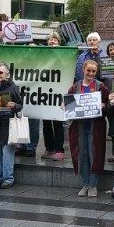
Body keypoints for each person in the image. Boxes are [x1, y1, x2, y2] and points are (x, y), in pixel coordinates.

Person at [67, 60, 109, 197]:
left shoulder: (101, 87)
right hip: (79, 128)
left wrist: (104, 106)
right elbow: (69, 106)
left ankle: (93, 185)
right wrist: (65, 107)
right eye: (88, 70)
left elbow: (109, 105)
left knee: (94, 155)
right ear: (83, 70)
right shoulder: (74, 88)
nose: (90, 73)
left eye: (93, 71)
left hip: (95, 127)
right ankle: (85, 183)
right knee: (82, 155)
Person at [42, 32, 66, 161]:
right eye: (50, 39)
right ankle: (49, 148)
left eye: (55, 39)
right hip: (44, 93)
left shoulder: (64, 53)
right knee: (46, 124)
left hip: (58, 93)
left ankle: (59, 149)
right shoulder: (42, 54)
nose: (52, 41)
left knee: (57, 122)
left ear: (59, 42)